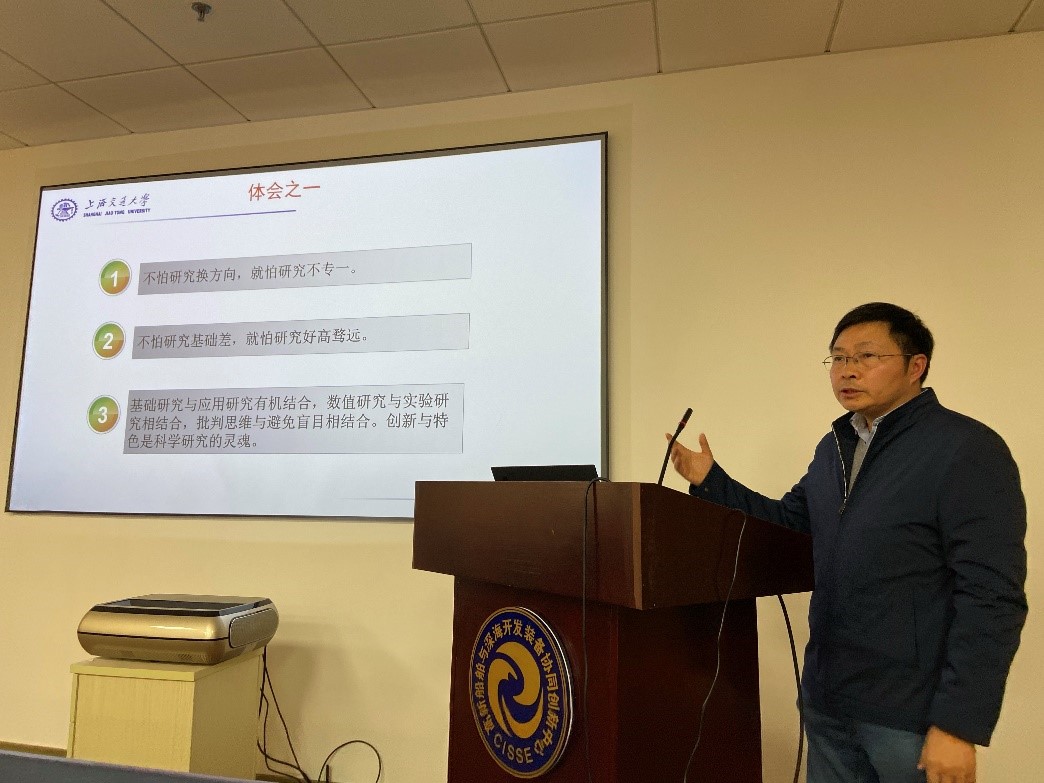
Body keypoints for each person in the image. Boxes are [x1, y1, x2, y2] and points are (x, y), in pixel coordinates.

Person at [668, 303, 1026, 783]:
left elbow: (992, 596)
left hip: (908, 715)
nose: (847, 370)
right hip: (829, 701)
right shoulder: (836, 447)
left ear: (915, 366)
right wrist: (711, 481)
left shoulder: (966, 449)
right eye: (837, 358)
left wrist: (959, 723)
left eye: (867, 356)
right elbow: (790, 525)